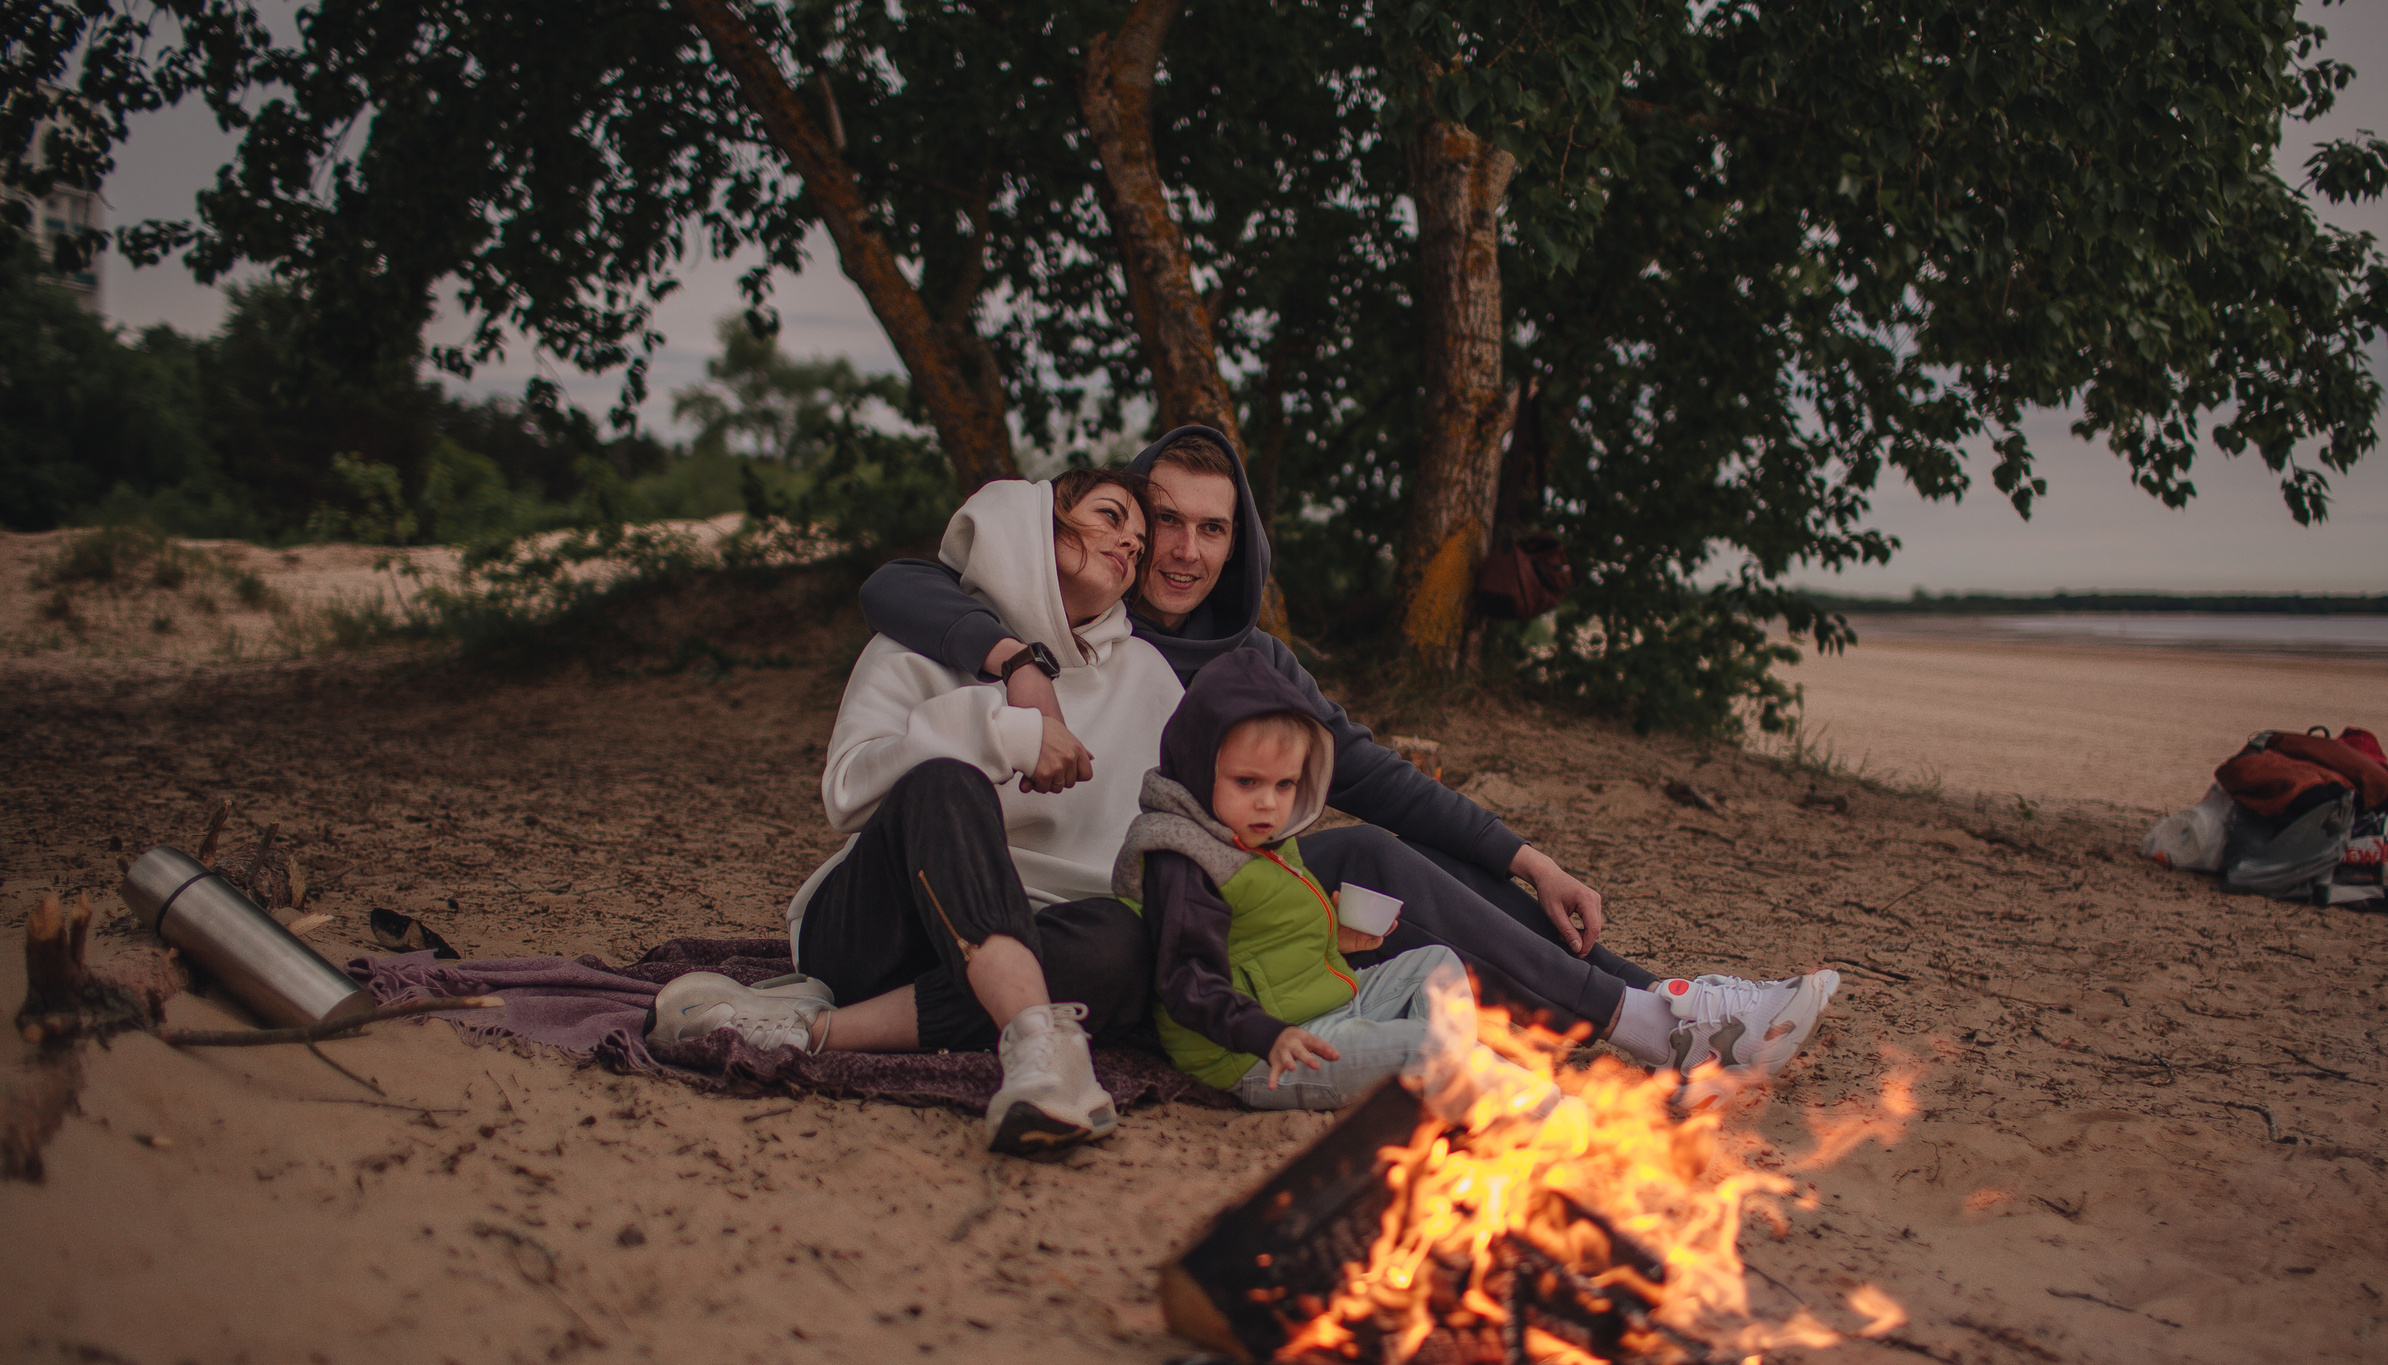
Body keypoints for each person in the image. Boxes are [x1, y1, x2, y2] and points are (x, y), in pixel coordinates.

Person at [860, 425, 1837, 1099]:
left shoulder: (1252, 660)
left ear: (1239, 543)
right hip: (1153, 913)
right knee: (1371, 860)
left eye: (1212, 528)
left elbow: (1370, 774)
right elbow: (906, 581)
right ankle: (1653, 1021)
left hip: (1226, 884)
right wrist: (1022, 666)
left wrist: (1527, 857)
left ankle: (1661, 1007)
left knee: (1400, 857)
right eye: (1164, 521)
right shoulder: (1077, 618)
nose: (1184, 551)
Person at [653, 467, 1182, 1154]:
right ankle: (1039, 1044)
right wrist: (1004, 734)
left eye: (1139, 541)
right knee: (946, 783)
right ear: (1034, 525)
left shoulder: (1147, 676)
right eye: (1110, 516)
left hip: (1041, 931)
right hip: (882, 927)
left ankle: (814, 1030)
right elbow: (848, 790)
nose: (1130, 544)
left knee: (1122, 944)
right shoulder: (915, 644)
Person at [1114, 647, 1479, 1111]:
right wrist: (1266, 1034)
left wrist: (1336, 938)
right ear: (1198, 770)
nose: (1269, 802)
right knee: (1424, 1044)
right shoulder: (1185, 859)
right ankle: (1515, 1104)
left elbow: (1264, 937)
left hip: (1325, 1004)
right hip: (1260, 1051)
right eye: (1247, 782)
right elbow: (1187, 981)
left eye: (1284, 784)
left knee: (1438, 965)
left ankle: (1446, 1088)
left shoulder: (1263, 835)